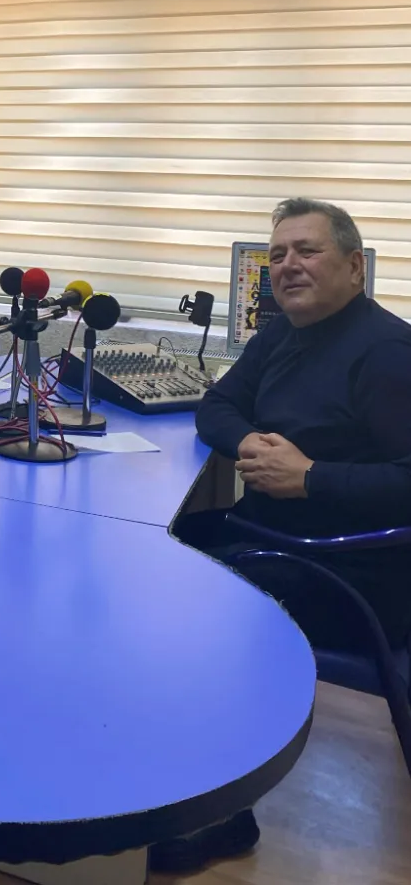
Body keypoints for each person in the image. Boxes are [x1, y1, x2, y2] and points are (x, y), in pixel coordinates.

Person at [154, 197, 411, 875]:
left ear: (354, 267)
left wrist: (311, 478)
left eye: (307, 250)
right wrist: (248, 443)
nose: (288, 265)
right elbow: (217, 405)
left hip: (350, 572)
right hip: (273, 538)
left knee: (167, 601)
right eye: (277, 255)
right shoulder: (283, 336)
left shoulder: (388, 353)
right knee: (148, 550)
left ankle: (220, 815)